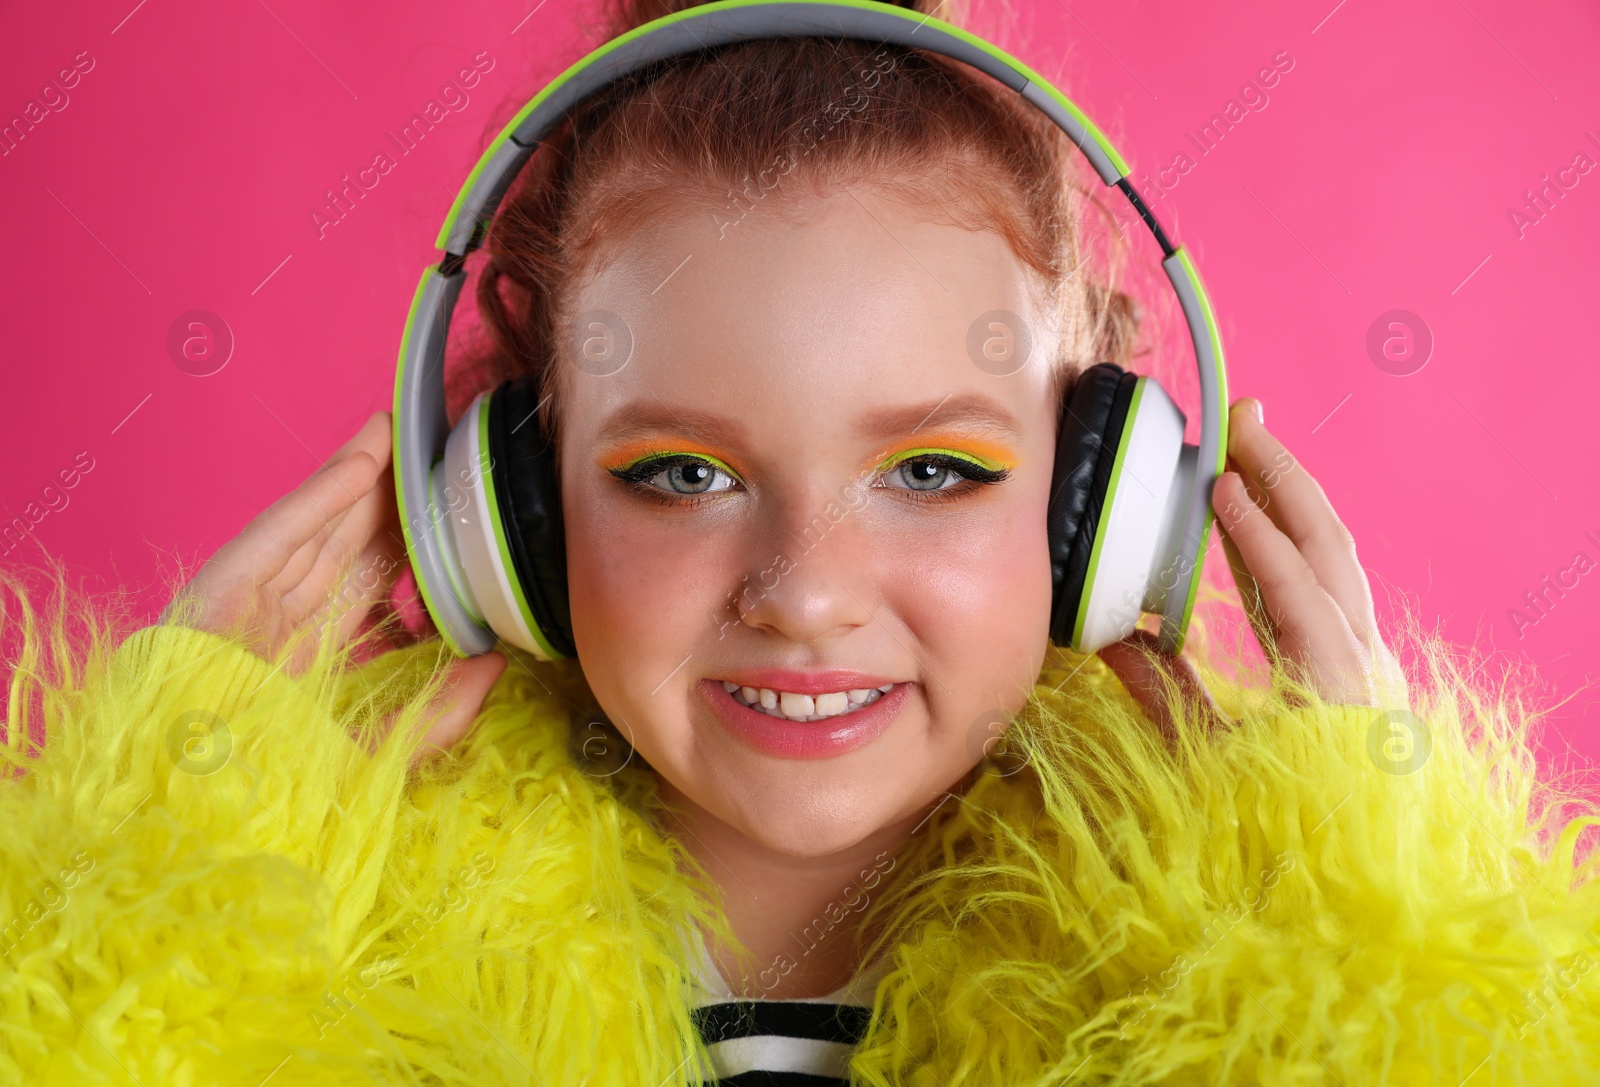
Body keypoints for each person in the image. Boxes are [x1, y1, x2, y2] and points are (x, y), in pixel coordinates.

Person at [5, 0, 1600, 1082]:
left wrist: (1374, 916)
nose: (807, 592)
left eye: (932, 469)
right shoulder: (322, 938)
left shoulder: (1245, 947)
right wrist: (161, 858)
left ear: (1102, 506)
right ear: (512, 514)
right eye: (684, 476)